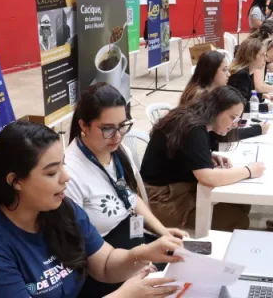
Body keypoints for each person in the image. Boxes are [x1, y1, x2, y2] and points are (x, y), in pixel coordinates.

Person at [0, 121, 183, 298]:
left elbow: (104, 263)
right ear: (15, 181)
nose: (66, 177)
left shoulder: (60, 209)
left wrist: (143, 254)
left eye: (63, 165)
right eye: (52, 172)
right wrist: (123, 295)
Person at [65, 83, 190, 297]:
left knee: (186, 266)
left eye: (123, 125)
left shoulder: (117, 150)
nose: (117, 136)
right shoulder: (69, 173)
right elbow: (83, 253)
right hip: (103, 265)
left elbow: (130, 197)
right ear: (83, 125)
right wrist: (135, 264)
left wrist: (162, 230)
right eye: (107, 129)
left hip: (133, 245)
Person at [140, 86, 266, 230]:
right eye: (233, 117)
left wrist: (206, 156)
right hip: (162, 200)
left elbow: (181, 150)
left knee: (241, 203)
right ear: (216, 109)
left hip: (171, 190)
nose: (235, 124)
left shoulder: (192, 119)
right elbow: (208, 178)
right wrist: (248, 171)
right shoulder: (193, 128)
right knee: (237, 220)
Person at [179, 50, 270, 140]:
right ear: (211, 71)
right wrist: (258, 129)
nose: (229, 74)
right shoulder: (200, 96)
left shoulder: (211, 91)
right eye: (224, 70)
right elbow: (219, 135)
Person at [228, 38, 273, 111]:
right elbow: (240, 105)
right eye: (262, 55)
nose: (265, 58)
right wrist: (266, 107)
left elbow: (247, 95)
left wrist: (264, 96)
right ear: (253, 56)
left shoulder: (247, 73)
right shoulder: (242, 75)